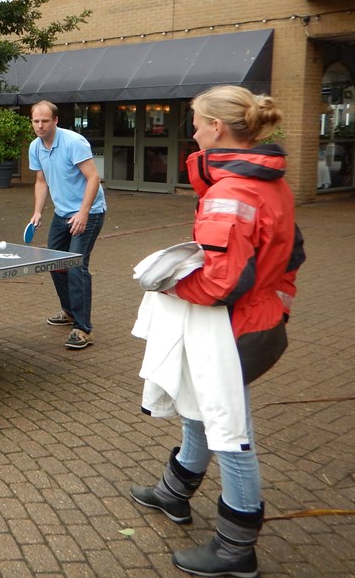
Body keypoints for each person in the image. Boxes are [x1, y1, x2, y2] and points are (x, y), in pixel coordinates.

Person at [129, 86, 305, 577]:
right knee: (202, 409)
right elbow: (291, 255)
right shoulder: (270, 181)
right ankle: (174, 492)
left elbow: (218, 283)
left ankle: (235, 548)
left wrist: (165, 284)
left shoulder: (230, 192)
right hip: (256, 319)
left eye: (196, 123)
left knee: (231, 431)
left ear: (218, 128)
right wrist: (277, 304)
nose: (192, 132)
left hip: (229, 329)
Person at [27, 100, 107, 349]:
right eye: (36, 121)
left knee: (76, 266)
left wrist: (83, 213)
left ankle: (83, 329)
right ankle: (70, 312)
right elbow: (41, 181)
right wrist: (37, 212)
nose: (40, 126)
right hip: (61, 214)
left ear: (55, 121)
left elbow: (93, 177)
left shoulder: (73, 142)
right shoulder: (35, 146)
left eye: (45, 121)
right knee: (56, 264)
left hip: (89, 213)